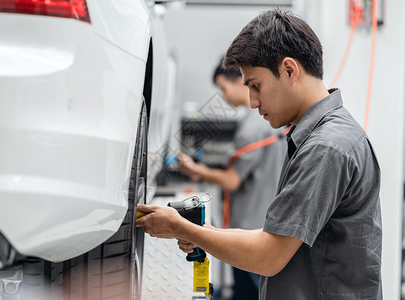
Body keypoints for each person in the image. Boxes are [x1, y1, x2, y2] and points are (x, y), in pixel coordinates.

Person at [137, 9, 382, 299]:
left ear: (289, 70)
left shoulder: (325, 147)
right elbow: (274, 238)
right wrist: (205, 231)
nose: (252, 102)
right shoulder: (322, 136)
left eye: (256, 86)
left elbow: (268, 256)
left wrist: (186, 230)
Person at [177, 61, 285, 300]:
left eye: (223, 88)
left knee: (249, 291)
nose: (223, 97)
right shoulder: (267, 122)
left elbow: (231, 181)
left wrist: (195, 169)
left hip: (249, 228)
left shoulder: (253, 128)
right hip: (264, 222)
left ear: (240, 81)